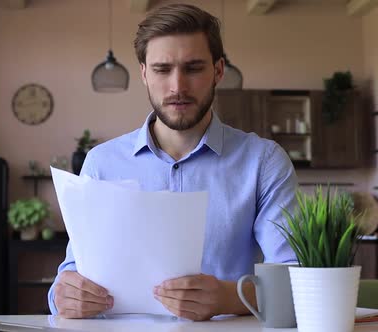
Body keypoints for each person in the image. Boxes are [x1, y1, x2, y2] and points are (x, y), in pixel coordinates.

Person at [48, 3, 297, 321]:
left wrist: (229, 297)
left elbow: (297, 280)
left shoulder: (263, 162)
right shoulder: (101, 163)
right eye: (162, 69)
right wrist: (65, 295)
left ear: (218, 71)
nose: (177, 86)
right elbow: (70, 277)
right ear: (143, 73)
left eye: (193, 68)